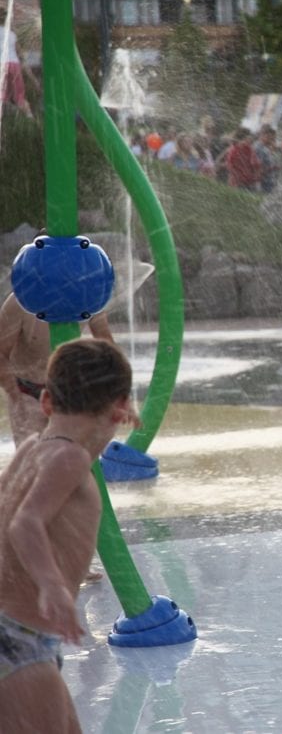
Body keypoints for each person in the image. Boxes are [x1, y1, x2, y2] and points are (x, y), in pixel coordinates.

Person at [0, 339, 139, 731]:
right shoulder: (71, 459)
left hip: (17, 632)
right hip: (20, 640)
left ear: (46, 401)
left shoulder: (33, 448)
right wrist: (51, 585)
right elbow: (25, 523)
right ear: (118, 409)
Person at [0, 294, 115, 447]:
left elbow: (107, 347)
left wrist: (114, 395)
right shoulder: (21, 300)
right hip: (27, 389)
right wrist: (15, 396)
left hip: (69, 388)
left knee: (76, 455)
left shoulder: (88, 294)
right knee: (32, 458)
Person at [0, 6, 33, 118]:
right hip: (14, 64)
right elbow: (20, 53)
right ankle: (30, 118)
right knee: (19, 97)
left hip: (1, 65)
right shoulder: (12, 34)